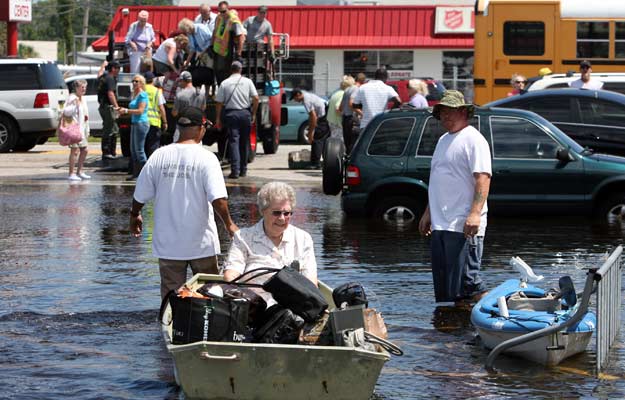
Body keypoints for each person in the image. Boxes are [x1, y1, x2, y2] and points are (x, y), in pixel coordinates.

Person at [130, 106, 238, 300]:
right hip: (201, 244)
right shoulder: (207, 158)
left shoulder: (159, 155)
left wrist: (134, 215)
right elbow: (218, 199)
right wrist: (229, 225)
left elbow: (140, 195)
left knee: (171, 298)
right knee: (209, 295)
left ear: (180, 128)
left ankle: (170, 326)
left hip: (169, 245)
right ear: (200, 128)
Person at [418, 90, 491, 306]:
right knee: (451, 290)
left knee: (469, 284)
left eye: (449, 112)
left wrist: (475, 214)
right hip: (441, 225)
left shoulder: (474, 140)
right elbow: (438, 179)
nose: (444, 117)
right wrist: (428, 213)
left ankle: (495, 323)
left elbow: (483, 179)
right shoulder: (443, 140)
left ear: (462, 111)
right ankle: (456, 336)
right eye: (441, 113)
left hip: (462, 224)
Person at [223, 181, 317, 295]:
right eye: (276, 213)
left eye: (287, 213)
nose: (282, 218)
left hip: (291, 306)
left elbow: (311, 282)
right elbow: (231, 275)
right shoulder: (243, 237)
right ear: (263, 211)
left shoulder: (303, 239)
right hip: (253, 304)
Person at [215, 61, 259, 179]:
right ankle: (243, 170)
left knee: (234, 142)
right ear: (240, 70)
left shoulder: (225, 83)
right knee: (244, 142)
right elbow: (256, 98)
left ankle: (235, 170)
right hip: (245, 113)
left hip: (231, 114)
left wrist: (218, 118)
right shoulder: (248, 82)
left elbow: (219, 102)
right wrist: (253, 113)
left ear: (231, 69)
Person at [117, 74, 149, 180]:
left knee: (139, 150)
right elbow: (133, 110)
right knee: (133, 149)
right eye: (133, 81)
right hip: (135, 122)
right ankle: (136, 173)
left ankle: (145, 174)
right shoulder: (134, 94)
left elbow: (140, 111)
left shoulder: (143, 95)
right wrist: (122, 110)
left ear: (142, 83)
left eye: (137, 81)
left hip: (141, 123)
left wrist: (126, 111)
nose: (134, 83)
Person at [290, 88, 329, 170]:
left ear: (298, 94)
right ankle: (327, 161)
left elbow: (313, 117)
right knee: (324, 140)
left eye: (294, 98)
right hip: (325, 115)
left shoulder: (306, 100)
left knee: (317, 140)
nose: (295, 100)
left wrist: (311, 133)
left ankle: (315, 164)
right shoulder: (307, 95)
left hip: (323, 117)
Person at [211, 2, 246, 85]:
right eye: (220, 11)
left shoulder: (233, 21)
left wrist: (239, 53)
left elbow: (240, 37)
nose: (222, 14)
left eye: (224, 11)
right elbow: (215, 31)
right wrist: (211, 45)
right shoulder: (219, 17)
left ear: (228, 9)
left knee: (226, 73)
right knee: (218, 72)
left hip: (228, 52)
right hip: (218, 50)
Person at [64, 79, 91, 182]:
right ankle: (71, 173)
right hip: (74, 128)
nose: (84, 89)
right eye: (82, 87)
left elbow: (85, 115)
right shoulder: (72, 98)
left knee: (85, 150)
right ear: (76, 88)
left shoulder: (83, 99)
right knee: (74, 151)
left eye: (85, 87)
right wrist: (75, 105)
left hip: (82, 128)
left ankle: (80, 171)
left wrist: (87, 129)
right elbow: (66, 112)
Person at [178, 18, 215, 91]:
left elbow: (211, 40)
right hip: (199, 54)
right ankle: (198, 93)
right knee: (199, 75)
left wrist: (203, 52)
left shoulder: (201, 28)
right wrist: (187, 63)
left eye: (185, 31)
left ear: (187, 27)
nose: (186, 33)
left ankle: (209, 94)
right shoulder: (189, 34)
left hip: (209, 52)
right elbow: (192, 49)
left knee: (208, 74)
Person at [172, 71, 207, 142]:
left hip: (182, 129)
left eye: (180, 81)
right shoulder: (201, 94)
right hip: (197, 128)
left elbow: (174, 113)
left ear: (184, 81)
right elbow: (203, 108)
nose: (179, 83)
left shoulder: (180, 95)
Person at [97, 60, 121, 159]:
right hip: (108, 107)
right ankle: (108, 152)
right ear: (113, 69)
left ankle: (110, 152)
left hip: (103, 106)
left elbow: (99, 74)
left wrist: (102, 65)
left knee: (111, 128)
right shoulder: (110, 79)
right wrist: (117, 107)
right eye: (118, 68)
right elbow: (110, 94)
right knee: (110, 129)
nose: (119, 71)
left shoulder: (103, 77)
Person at [143, 71, 167, 158]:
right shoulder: (157, 91)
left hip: (142, 122)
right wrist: (165, 122)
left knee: (142, 146)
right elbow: (161, 108)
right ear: (153, 80)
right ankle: (152, 166)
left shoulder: (140, 90)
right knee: (153, 147)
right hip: (154, 123)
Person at [340, 73, 364, 154]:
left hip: (345, 119)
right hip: (352, 119)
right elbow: (351, 104)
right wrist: (362, 114)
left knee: (347, 142)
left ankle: (347, 162)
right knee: (353, 143)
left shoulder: (347, 90)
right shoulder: (356, 89)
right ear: (362, 81)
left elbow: (340, 107)